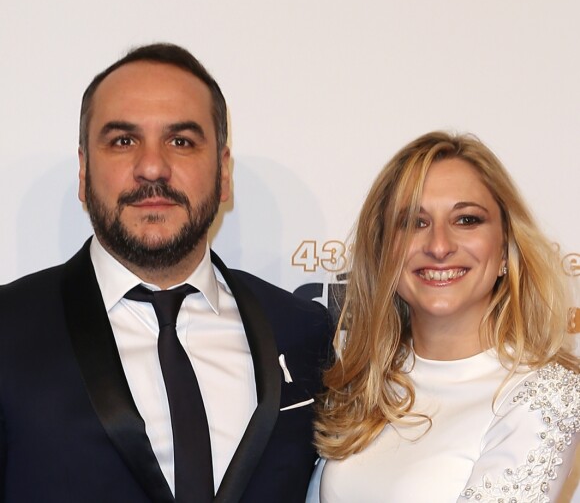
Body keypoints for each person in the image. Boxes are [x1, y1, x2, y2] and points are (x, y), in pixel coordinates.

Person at [0, 43, 332, 503]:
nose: (152, 167)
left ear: (223, 173)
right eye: (123, 141)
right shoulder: (7, 328)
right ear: (83, 171)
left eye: (181, 141)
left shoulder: (305, 332)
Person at [308, 131, 580, 503]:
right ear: (384, 252)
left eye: (467, 220)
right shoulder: (364, 382)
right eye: (414, 222)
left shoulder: (542, 397)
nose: (439, 246)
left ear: (505, 249)